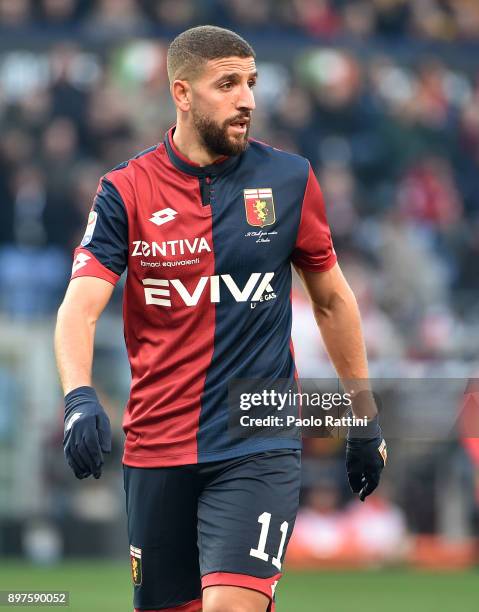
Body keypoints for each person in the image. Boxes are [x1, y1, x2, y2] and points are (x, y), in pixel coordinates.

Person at [55, 25, 386, 612]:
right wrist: (79, 396)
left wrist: (362, 413)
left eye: (252, 84)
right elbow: (80, 306)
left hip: (257, 440)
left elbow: (333, 300)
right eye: (227, 84)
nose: (248, 100)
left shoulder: (289, 180)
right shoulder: (124, 191)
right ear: (181, 93)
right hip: (157, 446)